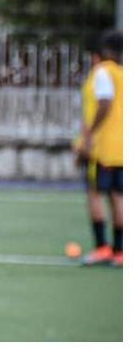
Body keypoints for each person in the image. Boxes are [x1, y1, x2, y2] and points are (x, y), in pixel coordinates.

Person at [77, 30, 123, 267]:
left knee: (95, 194)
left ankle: (103, 247)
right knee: (119, 197)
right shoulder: (123, 74)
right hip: (123, 148)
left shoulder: (103, 72)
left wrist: (88, 136)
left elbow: (103, 104)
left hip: (104, 148)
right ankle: (120, 251)